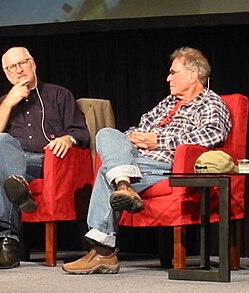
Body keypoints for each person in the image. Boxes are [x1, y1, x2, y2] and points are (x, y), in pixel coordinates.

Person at [62, 47, 231, 274]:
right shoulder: (167, 104)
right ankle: (123, 183)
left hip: (169, 166)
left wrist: (158, 140)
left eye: (173, 72)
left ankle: (103, 251)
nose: (168, 78)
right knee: (106, 134)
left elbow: (212, 135)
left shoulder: (211, 103)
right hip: (137, 161)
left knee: (106, 171)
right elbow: (139, 127)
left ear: (193, 75)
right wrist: (133, 137)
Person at [0, 47, 90, 269]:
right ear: (6, 74)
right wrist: (9, 103)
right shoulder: (2, 102)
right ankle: (17, 183)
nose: (19, 70)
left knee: (5, 172)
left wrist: (67, 139)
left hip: (46, 162)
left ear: (34, 64)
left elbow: (81, 132)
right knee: (2, 142)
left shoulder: (59, 95)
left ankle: (8, 245)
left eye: (23, 63)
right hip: (16, 161)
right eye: (12, 67)